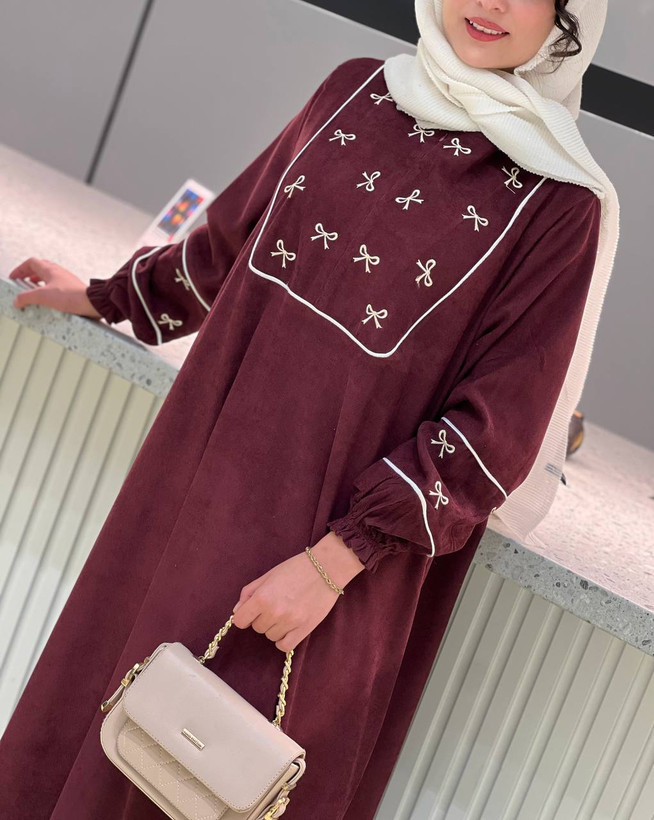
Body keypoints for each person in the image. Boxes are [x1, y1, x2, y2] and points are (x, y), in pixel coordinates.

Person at [0, 1, 618, 818]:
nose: (491, 2)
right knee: (109, 729)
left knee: (206, 780)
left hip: (323, 576)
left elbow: (491, 437)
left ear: (570, 19)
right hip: (189, 500)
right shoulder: (355, 91)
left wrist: (334, 563)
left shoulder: (560, 204)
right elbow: (228, 246)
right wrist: (107, 296)